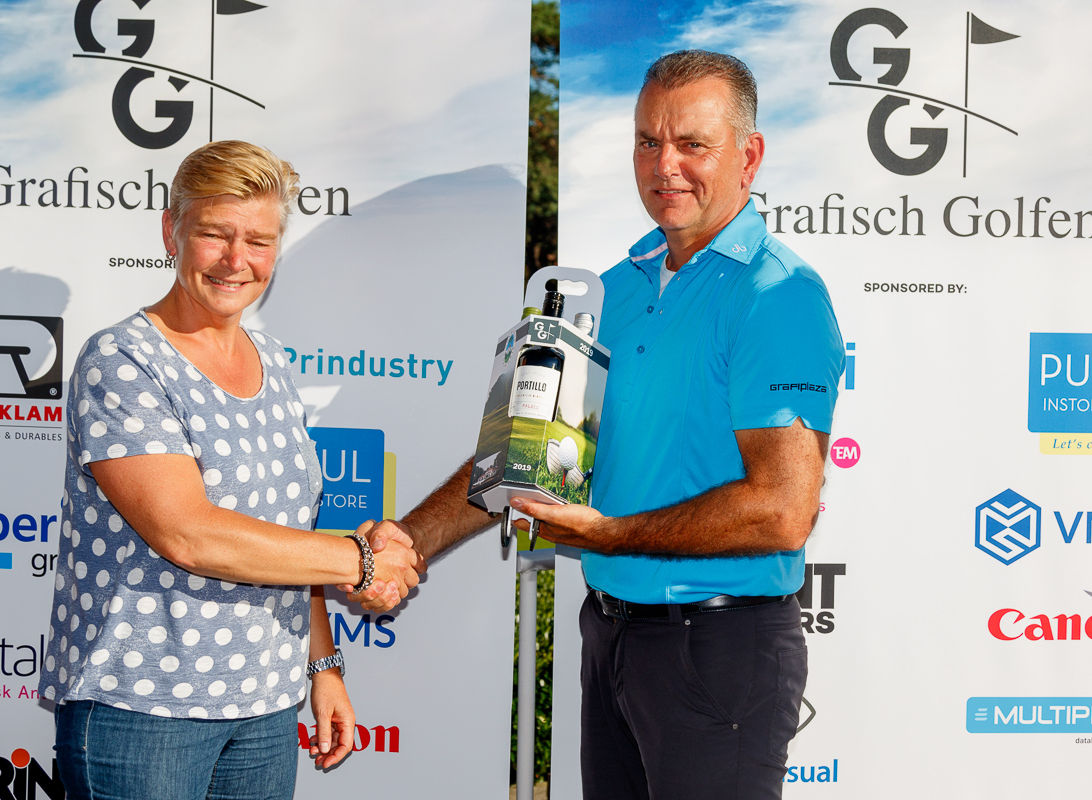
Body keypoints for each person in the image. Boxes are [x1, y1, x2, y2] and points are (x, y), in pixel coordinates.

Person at [355, 51, 844, 798]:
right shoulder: (612, 289)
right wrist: (407, 541)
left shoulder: (778, 294)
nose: (665, 165)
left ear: (749, 157)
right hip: (612, 634)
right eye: (648, 141)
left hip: (718, 646)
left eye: (692, 144)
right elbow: (521, 460)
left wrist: (609, 535)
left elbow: (782, 510)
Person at [38, 140, 424, 800]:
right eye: (215, 234)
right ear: (172, 230)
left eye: (259, 241)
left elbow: (285, 537)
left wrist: (323, 666)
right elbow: (187, 532)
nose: (235, 260)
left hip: (265, 710)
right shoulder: (122, 361)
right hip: (143, 710)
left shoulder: (270, 357)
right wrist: (361, 560)